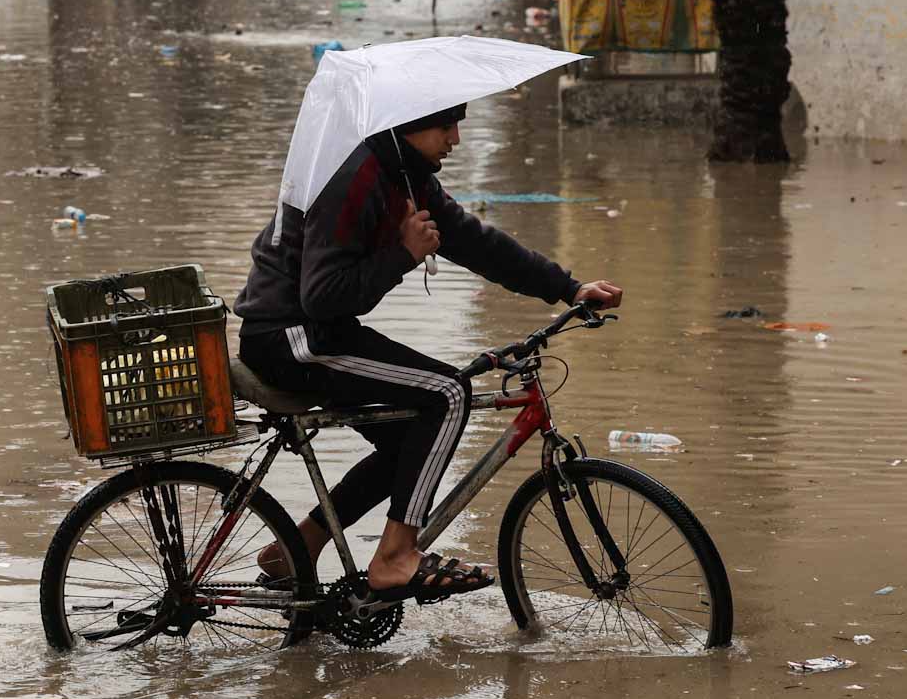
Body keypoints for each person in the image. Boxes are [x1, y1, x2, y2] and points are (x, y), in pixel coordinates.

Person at [234, 104, 623, 603]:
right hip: (289, 336)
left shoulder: (402, 175)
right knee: (447, 393)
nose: (455, 138)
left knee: (406, 442)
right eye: (445, 126)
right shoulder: (352, 177)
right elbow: (321, 296)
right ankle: (396, 556)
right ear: (407, 124)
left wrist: (567, 288)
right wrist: (402, 255)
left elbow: (476, 243)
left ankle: (295, 549)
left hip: (318, 332)